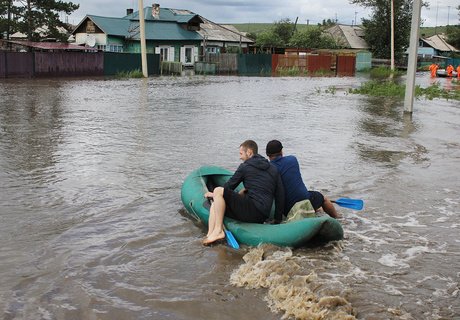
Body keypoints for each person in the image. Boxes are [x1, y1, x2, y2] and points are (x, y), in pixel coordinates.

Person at [203, 140, 285, 245]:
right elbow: (280, 196)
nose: (240, 157)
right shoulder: (273, 169)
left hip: (251, 211)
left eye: (241, 153)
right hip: (263, 214)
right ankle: (210, 234)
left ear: (249, 152)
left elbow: (229, 187)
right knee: (215, 204)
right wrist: (277, 220)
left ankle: (218, 230)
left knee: (218, 191)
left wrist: (214, 194)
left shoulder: (245, 167)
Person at [265, 140, 338, 219]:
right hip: (305, 199)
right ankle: (337, 219)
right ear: (281, 151)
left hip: (287, 209)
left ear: (267, 155)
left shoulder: (268, 169)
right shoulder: (293, 160)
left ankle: (314, 212)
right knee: (324, 199)